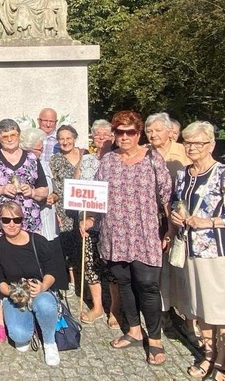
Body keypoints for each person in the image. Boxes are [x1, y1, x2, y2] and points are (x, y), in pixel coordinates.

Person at [93, 110, 172, 366]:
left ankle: (156, 338)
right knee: (124, 282)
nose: (125, 137)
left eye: (130, 132)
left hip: (145, 233)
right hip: (115, 233)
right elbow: (96, 194)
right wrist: (89, 218)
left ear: (138, 134)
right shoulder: (108, 161)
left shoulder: (153, 159)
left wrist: (170, 229)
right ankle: (134, 330)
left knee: (148, 285)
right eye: (119, 132)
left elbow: (166, 196)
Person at [171, 122, 225, 381]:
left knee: (221, 308)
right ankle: (208, 353)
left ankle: (222, 362)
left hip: (216, 251)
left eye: (197, 143)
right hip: (190, 250)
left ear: (211, 145)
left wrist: (208, 221)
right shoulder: (183, 174)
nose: (191, 147)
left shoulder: (224, 173)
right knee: (200, 307)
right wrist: (177, 214)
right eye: (187, 142)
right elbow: (178, 201)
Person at [0, 118, 49, 343]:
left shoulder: (32, 158)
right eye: (5, 137)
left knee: (29, 266)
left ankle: (31, 311)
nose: (9, 140)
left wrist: (32, 192)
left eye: (13, 136)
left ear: (19, 135)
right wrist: (0, 189)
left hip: (26, 220)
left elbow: (44, 190)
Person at [0, 201, 62, 366]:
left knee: (45, 305)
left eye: (16, 220)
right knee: (20, 337)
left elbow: (52, 271)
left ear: (23, 220)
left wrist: (43, 286)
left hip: (40, 292)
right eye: (6, 220)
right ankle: (31, 325)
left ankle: (49, 341)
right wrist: (17, 292)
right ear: (0, 221)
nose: (12, 224)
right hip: (14, 296)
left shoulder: (38, 241)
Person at [145, 112, 193, 335]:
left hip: (181, 216)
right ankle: (163, 314)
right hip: (153, 217)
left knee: (182, 266)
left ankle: (188, 316)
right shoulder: (145, 153)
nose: (152, 134)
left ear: (169, 131)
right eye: (149, 130)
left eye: (157, 130)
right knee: (159, 266)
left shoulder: (183, 152)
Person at [48, 124, 99, 295]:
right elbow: (55, 186)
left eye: (68, 138)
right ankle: (74, 282)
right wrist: (55, 209)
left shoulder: (87, 155)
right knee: (69, 244)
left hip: (87, 206)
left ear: (75, 138)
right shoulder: (55, 160)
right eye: (61, 139)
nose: (65, 141)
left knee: (87, 244)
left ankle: (88, 282)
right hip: (65, 208)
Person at [89, 119, 121, 329]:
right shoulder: (87, 160)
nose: (102, 138)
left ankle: (116, 309)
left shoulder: (119, 159)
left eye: (106, 134)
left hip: (114, 221)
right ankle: (97, 306)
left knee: (113, 267)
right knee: (91, 264)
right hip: (91, 219)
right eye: (97, 134)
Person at [19, 127, 58, 243]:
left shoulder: (44, 164)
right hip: (33, 221)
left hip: (50, 223)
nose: (42, 152)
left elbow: (54, 188)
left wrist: (54, 196)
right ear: (28, 149)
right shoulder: (22, 168)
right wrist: (40, 197)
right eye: (39, 149)